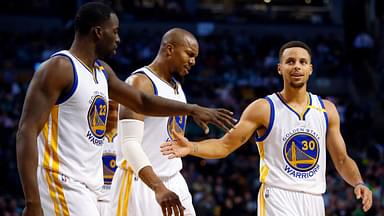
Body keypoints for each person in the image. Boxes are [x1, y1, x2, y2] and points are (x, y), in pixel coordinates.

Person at [15, 2, 234, 216]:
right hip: (60, 178)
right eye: (115, 31)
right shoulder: (59, 67)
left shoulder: (102, 72)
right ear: (98, 32)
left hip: (88, 186)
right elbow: (26, 132)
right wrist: (32, 202)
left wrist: (192, 109)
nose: (118, 38)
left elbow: (142, 102)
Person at [161, 41, 373, 215]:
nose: (297, 66)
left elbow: (342, 159)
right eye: (290, 61)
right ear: (280, 68)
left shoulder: (327, 110)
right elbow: (225, 145)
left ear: (310, 69)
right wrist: (192, 148)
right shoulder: (263, 108)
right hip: (277, 196)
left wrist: (358, 183)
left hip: (314, 200)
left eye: (302, 62)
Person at [110, 28, 200, 216]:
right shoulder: (140, 82)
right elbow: (129, 144)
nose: (193, 61)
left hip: (174, 179)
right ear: (169, 49)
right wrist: (158, 187)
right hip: (141, 183)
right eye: (189, 54)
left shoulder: (178, 88)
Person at [97, 100, 118, 216]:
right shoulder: (91, 136)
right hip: (94, 199)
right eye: (110, 109)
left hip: (116, 201)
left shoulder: (128, 139)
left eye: (117, 110)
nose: (114, 114)